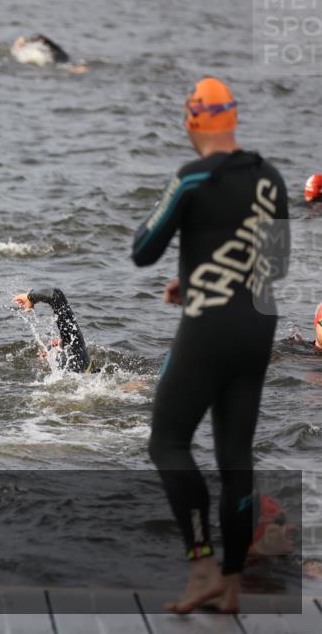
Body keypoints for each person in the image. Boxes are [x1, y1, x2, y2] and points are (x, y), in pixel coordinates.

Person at [131, 77, 290, 614]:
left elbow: (144, 249)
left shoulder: (192, 177)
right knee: (235, 455)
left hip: (211, 326)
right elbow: (275, 267)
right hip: (258, 326)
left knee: (168, 441)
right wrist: (201, 276)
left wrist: (196, 281)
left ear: (193, 121)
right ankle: (230, 584)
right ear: (234, 118)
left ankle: (200, 565)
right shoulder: (271, 177)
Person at [12, 288, 91, 373]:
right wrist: (30, 297)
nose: (54, 342)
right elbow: (56, 296)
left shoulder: (71, 354)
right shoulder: (77, 351)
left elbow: (55, 295)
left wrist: (29, 297)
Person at [10, 34, 87, 73]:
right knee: (65, 66)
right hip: (60, 56)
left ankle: (76, 69)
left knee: (64, 66)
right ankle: (76, 69)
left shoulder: (51, 49)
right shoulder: (50, 48)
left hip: (59, 57)